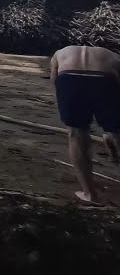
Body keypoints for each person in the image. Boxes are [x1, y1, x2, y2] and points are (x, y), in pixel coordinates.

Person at [50, 44, 120, 203]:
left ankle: (89, 194)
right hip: (105, 78)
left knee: (76, 133)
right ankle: (112, 136)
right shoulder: (112, 55)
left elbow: (54, 80)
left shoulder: (59, 52)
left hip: (69, 77)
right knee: (117, 131)